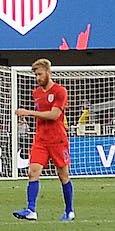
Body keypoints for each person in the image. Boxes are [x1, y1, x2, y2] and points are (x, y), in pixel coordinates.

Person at [12, 58, 73, 222]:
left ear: (48, 72)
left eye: (39, 74)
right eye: (35, 75)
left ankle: (69, 211)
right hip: (40, 140)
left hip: (58, 140)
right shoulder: (36, 93)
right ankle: (31, 210)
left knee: (63, 175)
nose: (37, 78)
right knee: (32, 172)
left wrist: (29, 113)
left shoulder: (60, 91)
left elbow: (54, 115)